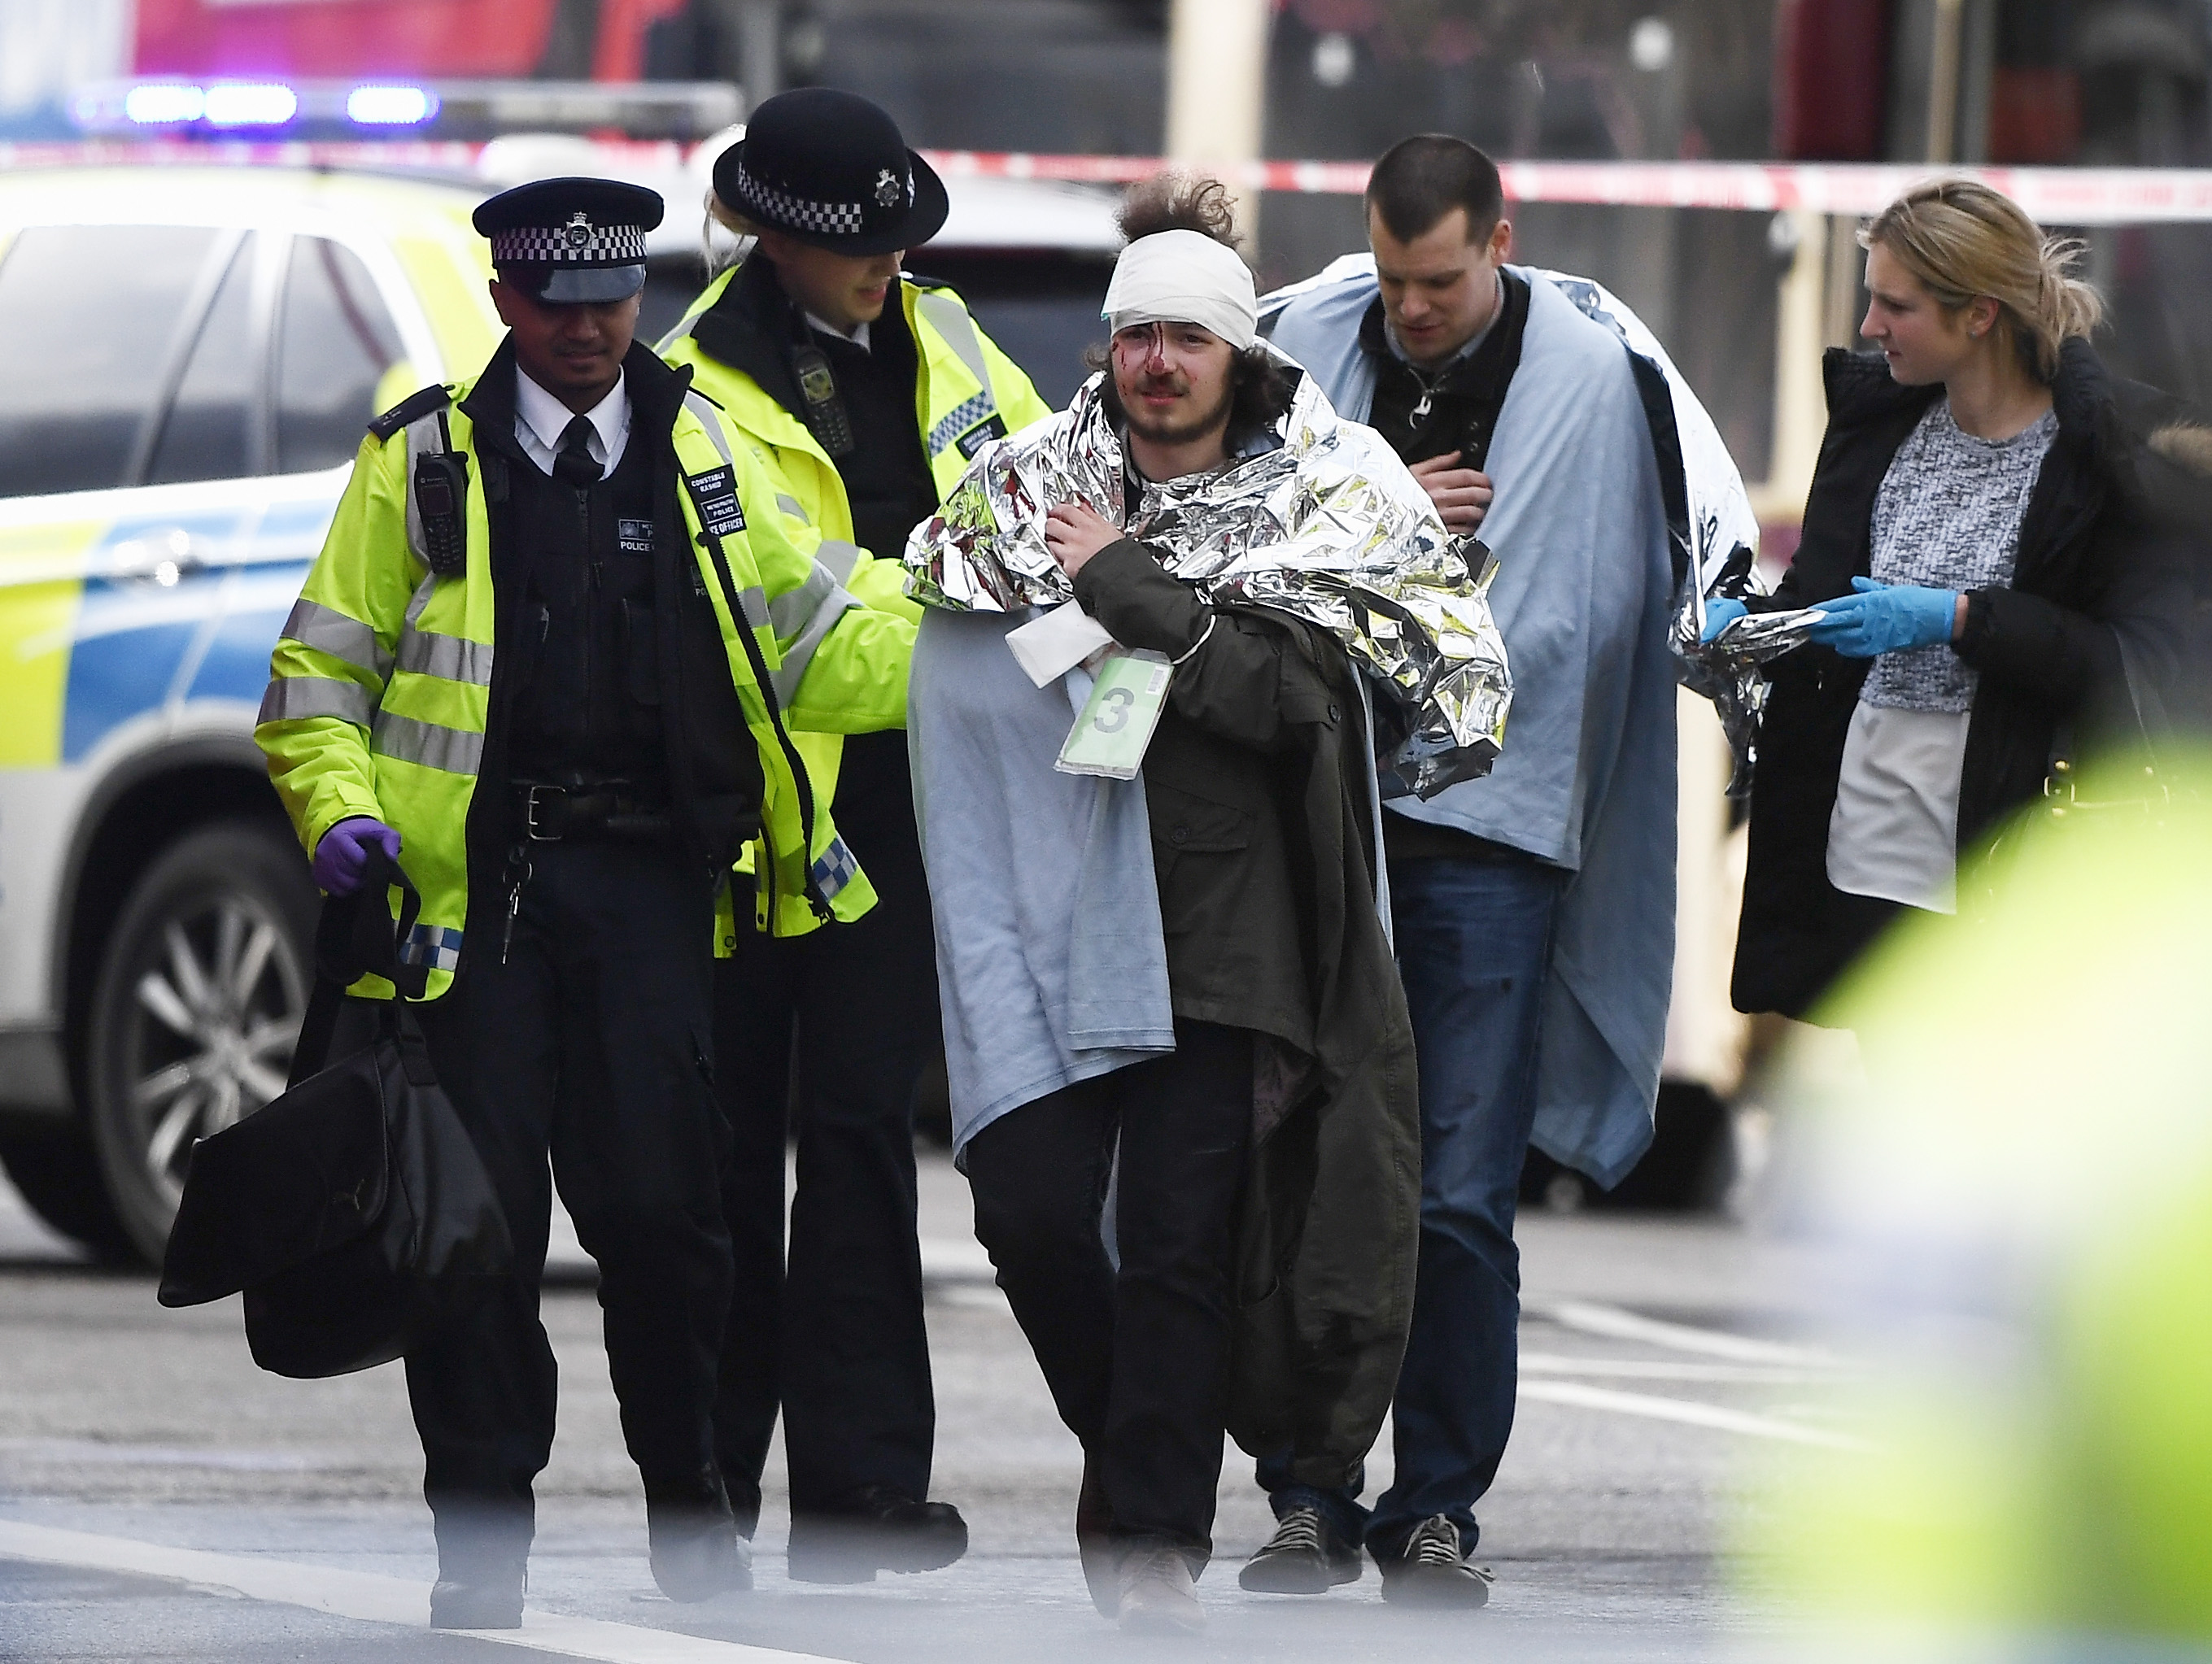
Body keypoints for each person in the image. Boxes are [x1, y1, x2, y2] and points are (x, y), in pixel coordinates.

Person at [255, 176, 914, 1630]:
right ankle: (479, 1543)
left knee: (672, 1223)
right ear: (505, 303)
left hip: (650, 894)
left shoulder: (703, 452)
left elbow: (829, 643)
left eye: (610, 300)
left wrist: (998, 637)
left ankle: (694, 1517)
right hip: (468, 907)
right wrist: (344, 817)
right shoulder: (418, 461)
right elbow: (316, 689)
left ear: (639, 295)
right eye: (555, 305)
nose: (586, 330)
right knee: (465, 1232)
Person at [902, 175, 1503, 1634]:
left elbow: (1288, 701)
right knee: (1034, 1218)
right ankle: (1136, 1457)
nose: (1155, 362)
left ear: (1237, 351)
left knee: (1178, 1238)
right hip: (1049, 919)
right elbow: (947, 666)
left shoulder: (1329, 490)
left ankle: (1153, 1539)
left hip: (1222, 928)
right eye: (1132, 337)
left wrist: (1123, 583)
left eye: (1185, 336)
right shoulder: (1025, 489)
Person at [1256, 135, 1681, 1603]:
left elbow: (1599, 603)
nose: (1412, 309)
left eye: (1438, 280)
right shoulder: (1303, 346)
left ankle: (1434, 1502)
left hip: (1492, 829)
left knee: (1453, 1193)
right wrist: (1371, 514)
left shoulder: (1586, 376)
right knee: (1310, 1159)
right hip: (1317, 811)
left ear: (1500, 238)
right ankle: (1305, 1488)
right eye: (1390, 279)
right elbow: (1213, 538)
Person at [657, 88, 1052, 1583]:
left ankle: (863, 1485)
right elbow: (801, 644)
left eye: (897, 239)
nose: (883, 265)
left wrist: (979, 585)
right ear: (767, 238)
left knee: (860, 1143)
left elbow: (1052, 495)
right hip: (752, 830)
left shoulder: (943, 336)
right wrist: (961, 604)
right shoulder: (692, 387)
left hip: (902, 818)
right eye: (855, 246)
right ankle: (707, 1488)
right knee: (727, 1159)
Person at [1712, 179, 2181, 1016]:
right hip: (1862, 844)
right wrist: (1750, 628)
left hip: (2009, 861)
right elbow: (1824, 604)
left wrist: (1962, 618)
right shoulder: (1874, 427)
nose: (1867, 327)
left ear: (1979, 315)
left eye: (1896, 305)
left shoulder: (2100, 461)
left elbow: (2138, 667)